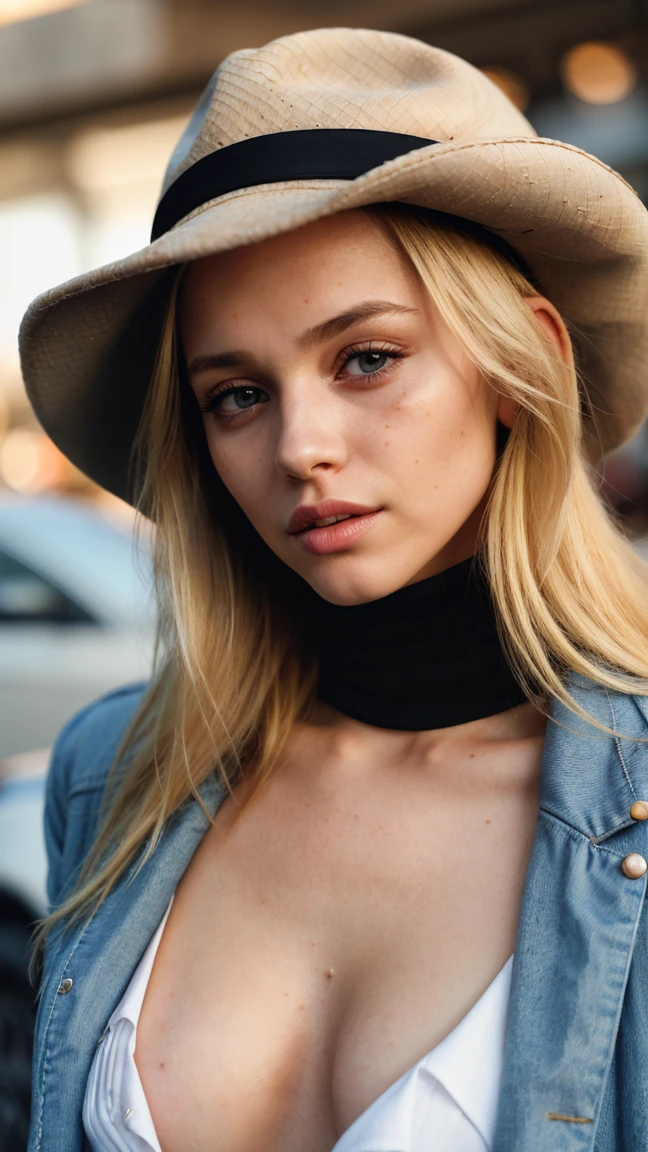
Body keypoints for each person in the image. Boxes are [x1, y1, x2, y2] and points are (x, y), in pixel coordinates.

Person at [20, 26, 648, 1152]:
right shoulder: (111, 779)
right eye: (237, 395)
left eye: (366, 357)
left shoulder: (632, 807)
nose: (302, 446)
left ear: (522, 366)